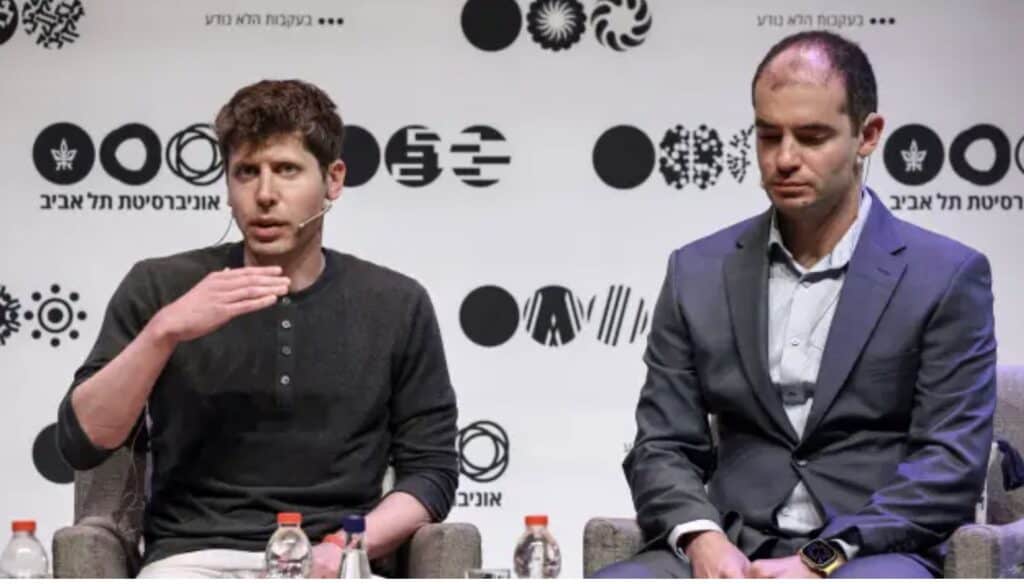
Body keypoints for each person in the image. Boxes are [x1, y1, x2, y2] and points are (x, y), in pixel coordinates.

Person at [598, 30, 996, 578]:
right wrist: (701, 539)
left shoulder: (945, 276)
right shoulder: (696, 271)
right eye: (768, 136)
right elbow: (662, 445)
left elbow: (949, 465)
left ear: (868, 135)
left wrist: (820, 559)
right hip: (731, 542)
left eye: (811, 137)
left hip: (869, 551)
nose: (784, 159)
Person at [56, 79, 459, 578]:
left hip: (331, 559)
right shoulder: (160, 287)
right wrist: (163, 333)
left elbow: (432, 472)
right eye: (246, 172)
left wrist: (347, 545)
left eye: (286, 170)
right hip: (192, 562)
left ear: (333, 180)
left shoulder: (397, 303)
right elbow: (83, 441)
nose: (264, 194)